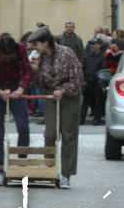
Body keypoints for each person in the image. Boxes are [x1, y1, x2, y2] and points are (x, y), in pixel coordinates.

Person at [28, 26, 83, 188]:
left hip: (70, 97)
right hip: (51, 96)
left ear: (46, 43)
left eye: (36, 44)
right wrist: (35, 70)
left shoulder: (66, 53)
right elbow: (39, 84)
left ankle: (66, 175)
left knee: (69, 135)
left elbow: (77, 78)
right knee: (50, 134)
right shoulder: (40, 57)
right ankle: (50, 169)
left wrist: (63, 90)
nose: (34, 48)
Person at [0, 34, 32, 186]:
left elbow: (27, 71)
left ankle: (21, 167)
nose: (8, 60)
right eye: (5, 57)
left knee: (23, 128)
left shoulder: (21, 47)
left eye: (11, 57)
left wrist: (21, 89)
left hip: (16, 87)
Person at [80, 37, 107, 126]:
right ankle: (81, 119)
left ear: (99, 45)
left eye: (94, 44)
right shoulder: (88, 56)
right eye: (91, 44)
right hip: (88, 82)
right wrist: (83, 80)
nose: (92, 46)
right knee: (85, 102)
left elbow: (103, 70)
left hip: (97, 82)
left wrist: (102, 83)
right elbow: (83, 69)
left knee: (98, 102)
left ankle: (97, 119)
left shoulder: (103, 57)